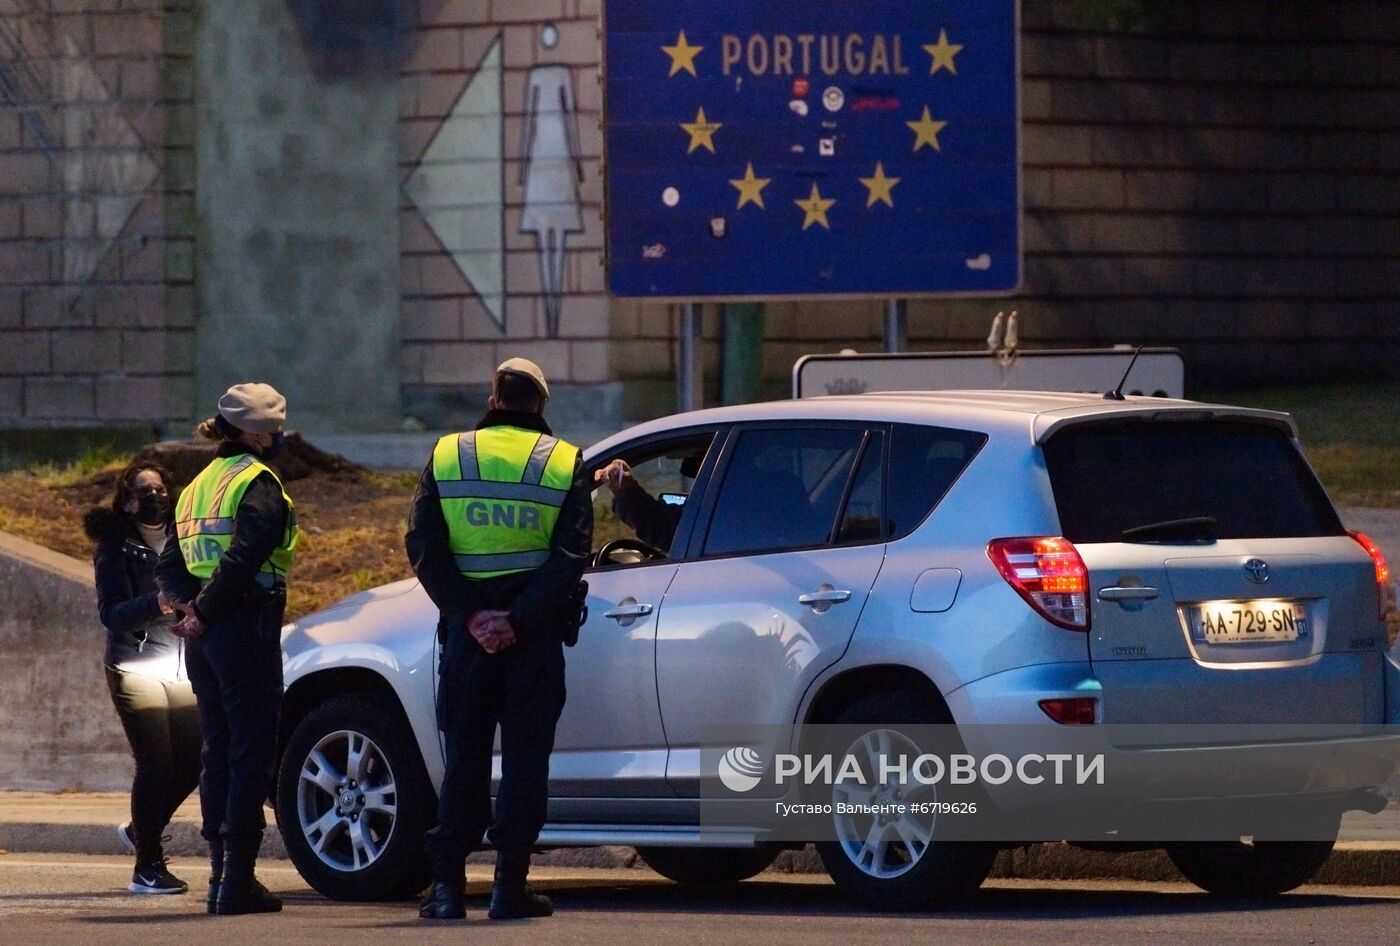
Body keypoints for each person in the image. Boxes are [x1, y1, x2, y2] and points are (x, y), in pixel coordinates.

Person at [406, 357, 592, 921]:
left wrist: (471, 618)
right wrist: (517, 620)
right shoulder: (563, 460)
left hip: (468, 641)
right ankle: (510, 888)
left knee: (464, 758)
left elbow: (424, 547)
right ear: (540, 406)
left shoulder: (448, 454)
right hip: (530, 641)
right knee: (524, 761)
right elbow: (571, 557)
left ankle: (446, 891)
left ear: (492, 401)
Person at [156, 382, 298, 916]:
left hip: (205, 637)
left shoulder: (196, 486)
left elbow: (168, 562)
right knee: (250, 749)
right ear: (256, 432)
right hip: (244, 628)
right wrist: (207, 610)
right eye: (274, 428)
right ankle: (237, 880)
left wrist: (187, 610)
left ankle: (220, 875)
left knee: (216, 748)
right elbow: (246, 555)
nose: (279, 437)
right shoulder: (257, 482)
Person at [86, 460, 201, 895]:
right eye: (144, 490)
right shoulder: (115, 547)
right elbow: (111, 613)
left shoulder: (184, 538)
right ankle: (147, 865)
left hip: (181, 664)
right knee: (155, 762)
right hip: (135, 667)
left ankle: (142, 828)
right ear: (128, 500)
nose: (155, 495)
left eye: (160, 488)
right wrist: (158, 602)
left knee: (193, 760)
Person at [591, 452, 702, 552]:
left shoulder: (709, 516)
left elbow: (663, 528)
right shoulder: (708, 514)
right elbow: (661, 524)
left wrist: (626, 491)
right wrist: (626, 489)